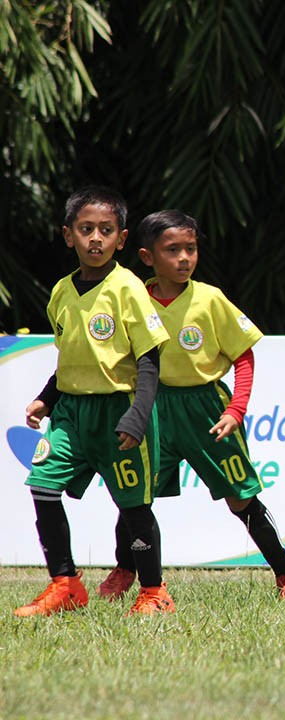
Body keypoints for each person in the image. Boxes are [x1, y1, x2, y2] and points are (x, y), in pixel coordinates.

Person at [97, 210, 285, 602]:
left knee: (240, 496)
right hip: (152, 406)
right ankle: (126, 571)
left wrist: (235, 411)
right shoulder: (132, 299)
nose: (184, 258)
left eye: (190, 249)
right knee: (134, 494)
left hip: (206, 409)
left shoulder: (210, 299)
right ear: (147, 257)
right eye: (172, 250)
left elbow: (243, 356)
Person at [17, 185, 174, 617]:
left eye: (106, 230)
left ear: (121, 239)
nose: (95, 238)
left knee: (134, 505)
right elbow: (73, 354)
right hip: (71, 412)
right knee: (44, 486)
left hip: (120, 409)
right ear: (68, 235)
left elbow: (148, 360)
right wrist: (45, 398)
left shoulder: (128, 288)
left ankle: (154, 591)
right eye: (86, 229)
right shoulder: (61, 293)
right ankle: (65, 584)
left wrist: (138, 416)